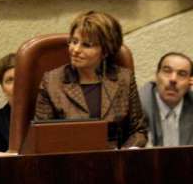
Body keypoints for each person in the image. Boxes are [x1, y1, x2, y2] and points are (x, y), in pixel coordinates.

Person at [34, 11, 148, 148]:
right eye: (74, 41)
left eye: (86, 45)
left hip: (115, 158)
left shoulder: (124, 79)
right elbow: (42, 136)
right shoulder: (52, 81)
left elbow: (138, 131)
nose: (75, 50)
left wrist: (123, 154)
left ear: (105, 51)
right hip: (69, 158)